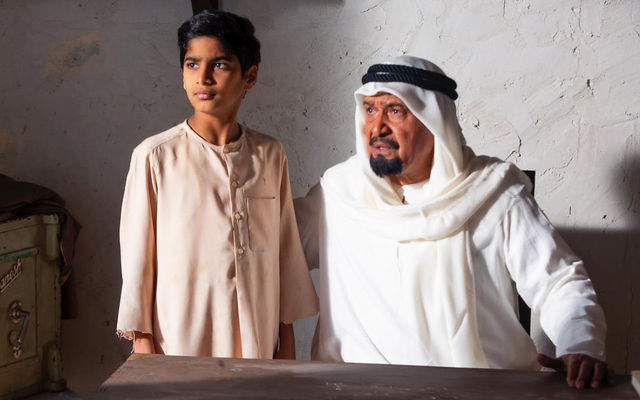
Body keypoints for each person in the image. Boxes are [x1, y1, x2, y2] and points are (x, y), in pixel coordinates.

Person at [295, 55, 610, 388]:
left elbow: (559, 282)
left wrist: (581, 345)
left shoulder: (493, 193)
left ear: (434, 120)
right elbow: (270, 247)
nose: (377, 128)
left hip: (478, 391)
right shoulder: (338, 194)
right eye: (370, 110)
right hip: (353, 390)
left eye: (395, 111)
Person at [116, 10, 318, 360]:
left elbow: (285, 248)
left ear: (249, 77)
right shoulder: (155, 156)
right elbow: (137, 260)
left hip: (257, 335)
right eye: (192, 64)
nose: (203, 78)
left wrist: (286, 338)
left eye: (219, 65)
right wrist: (143, 343)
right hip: (180, 339)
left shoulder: (269, 154)